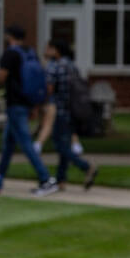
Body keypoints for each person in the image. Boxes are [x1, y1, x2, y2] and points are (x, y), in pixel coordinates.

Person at [0, 24, 59, 196]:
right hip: (27, 101)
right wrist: (35, 105)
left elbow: (0, 76)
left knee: (25, 143)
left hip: (15, 103)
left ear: (9, 36)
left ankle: (45, 179)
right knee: (8, 143)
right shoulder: (30, 52)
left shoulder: (11, 53)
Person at [44, 39, 99, 190]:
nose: (46, 51)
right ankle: (61, 180)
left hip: (60, 110)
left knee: (59, 145)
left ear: (56, 50)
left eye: (49, 48)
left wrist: (42, 105)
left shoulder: (54, 66)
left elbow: (49, 88)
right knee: (65, 144)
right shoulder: (72, 66)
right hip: (74, 111)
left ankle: (86, 166)